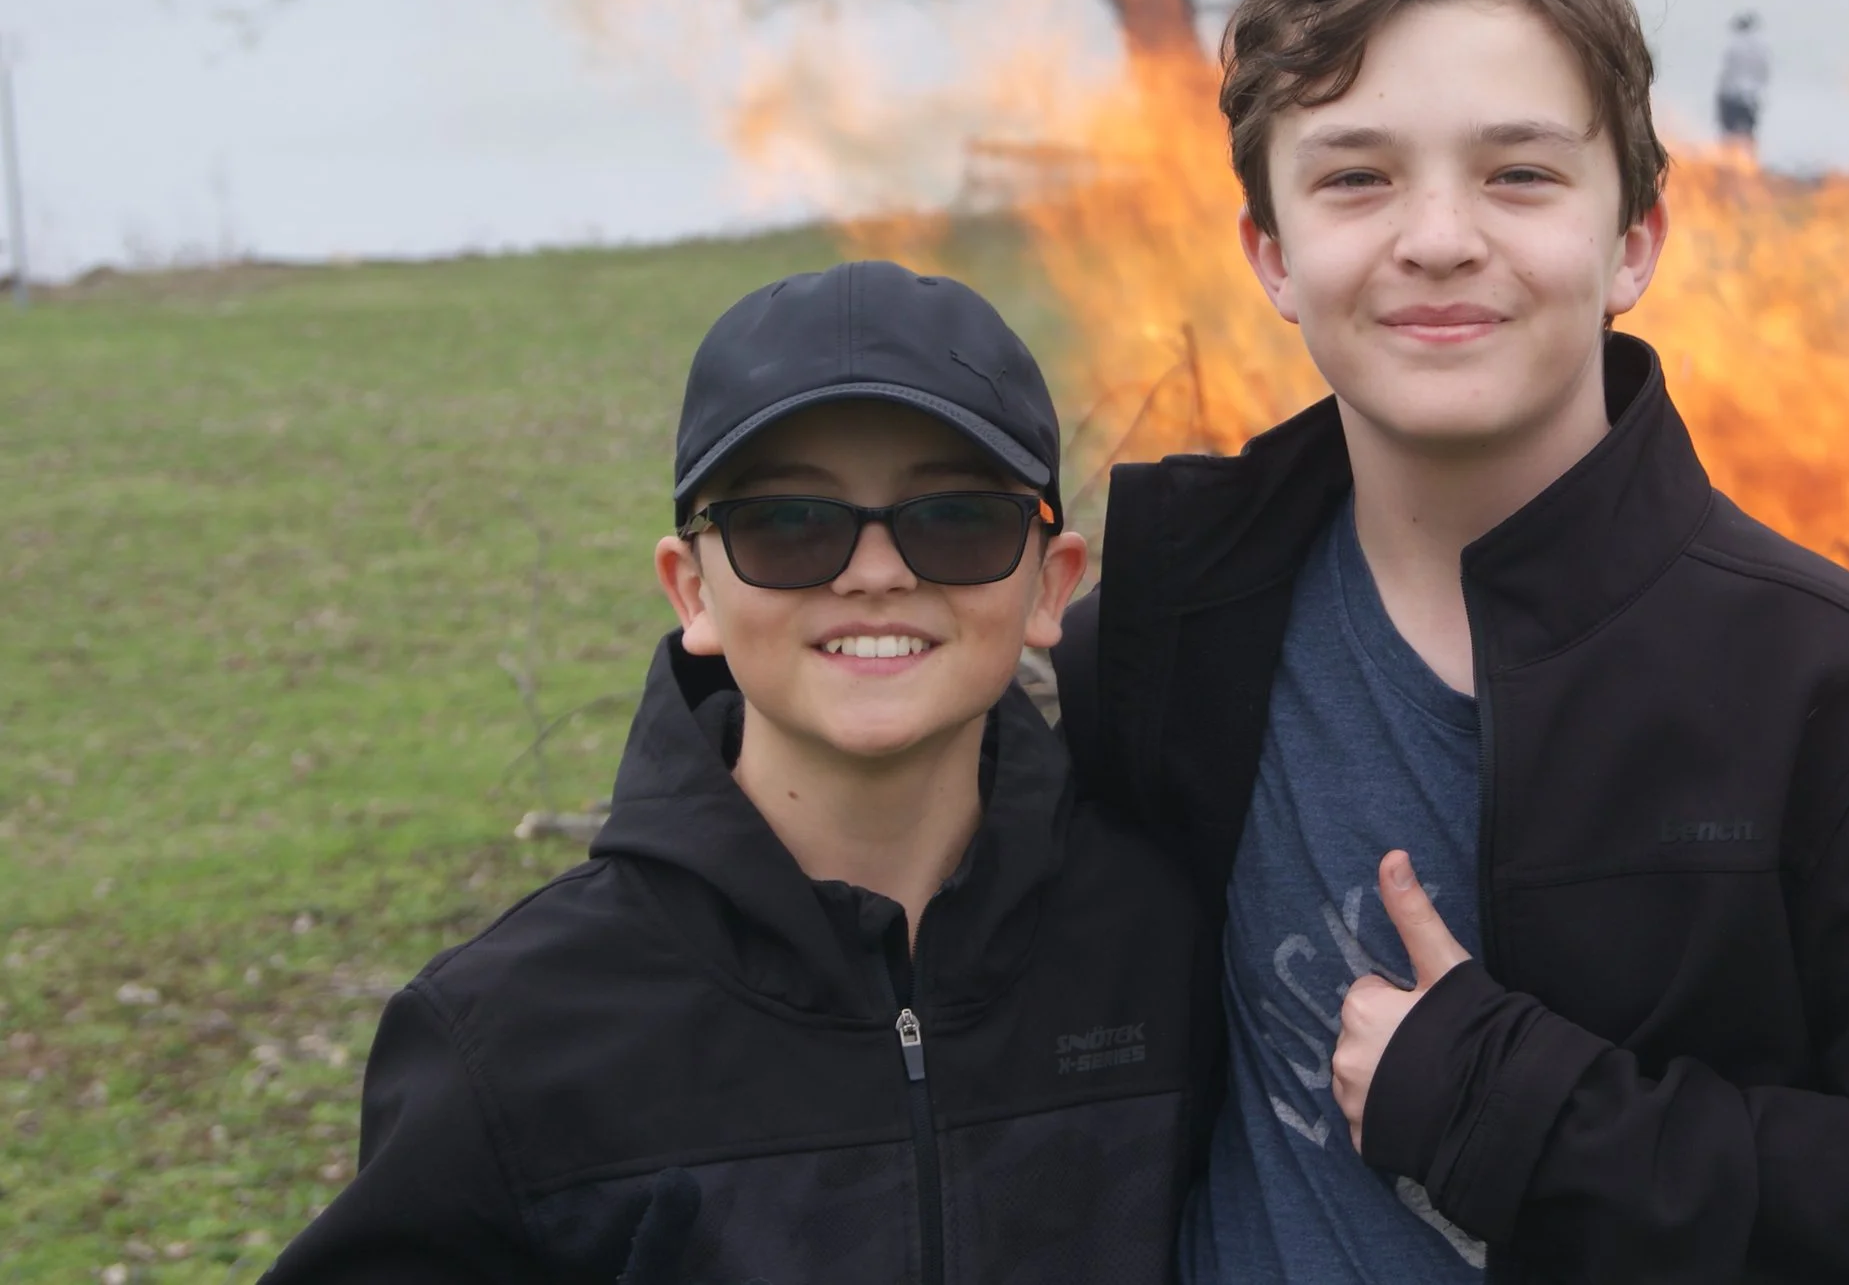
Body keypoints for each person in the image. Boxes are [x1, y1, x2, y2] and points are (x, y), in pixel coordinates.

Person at [1052, 0, 1849, 1284]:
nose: (1437, 237)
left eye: (1519, 175)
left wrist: (1528, 1115)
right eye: (1355, 178)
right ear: (1270, 254)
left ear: (1636, 237)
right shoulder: (1158, 649)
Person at [263, 261, 1198, 1283]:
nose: (875, 571)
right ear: (691, 589)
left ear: (1049, 585)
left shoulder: (1173, 949)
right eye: (788, 525)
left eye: (955, 520)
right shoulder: (513, 1034)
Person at [1716, 11, 1769, 153]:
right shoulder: (1762, 47)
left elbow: (1727, 71)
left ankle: (1728, 159)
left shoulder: (1733, 45)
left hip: (1732, 93)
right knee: (1749, 132)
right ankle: (1751, 161)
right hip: (1752, 96)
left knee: (1729, 132)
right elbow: (1764, 74)